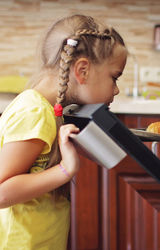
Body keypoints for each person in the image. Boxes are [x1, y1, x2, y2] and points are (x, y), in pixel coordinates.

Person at [0, 14, 127, 249]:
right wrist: (64, 170)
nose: (116, 90)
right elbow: (2, 192)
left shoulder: (49, 109)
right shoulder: (35, 113)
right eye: (114, 77)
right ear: (82, 70)